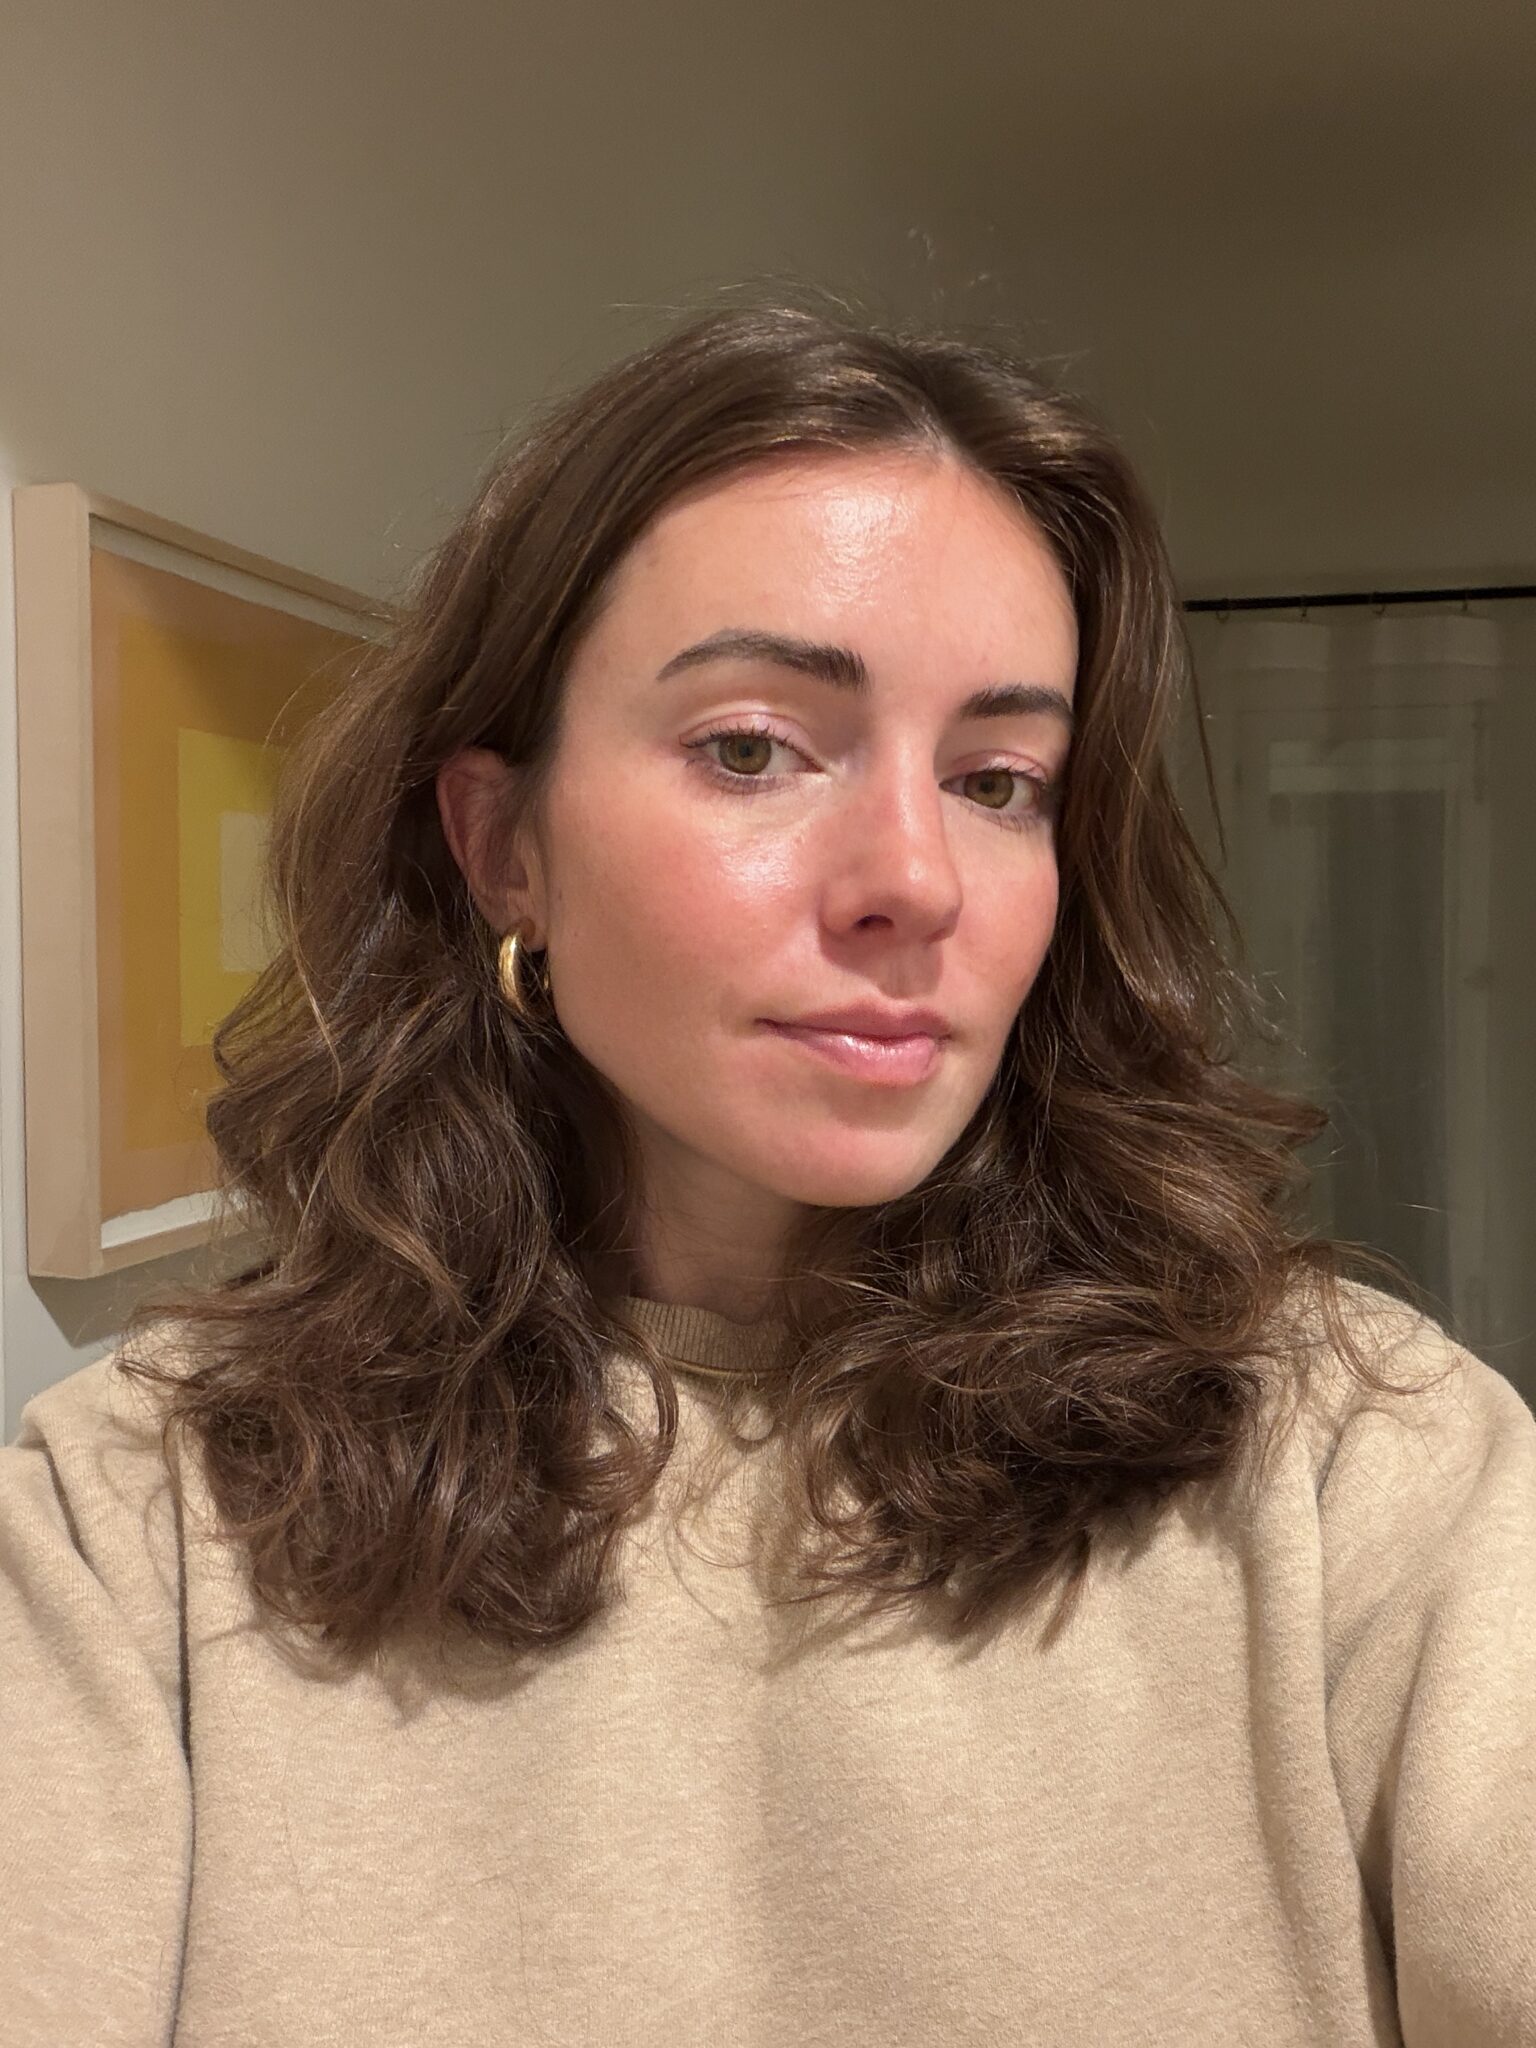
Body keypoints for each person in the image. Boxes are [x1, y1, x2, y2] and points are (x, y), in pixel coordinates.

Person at [3, 294, 1532, 2047]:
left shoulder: (1361, 1473)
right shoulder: (140, 1526)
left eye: (999, 779)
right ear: (505, 848)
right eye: (753, 747)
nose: (916, 877)